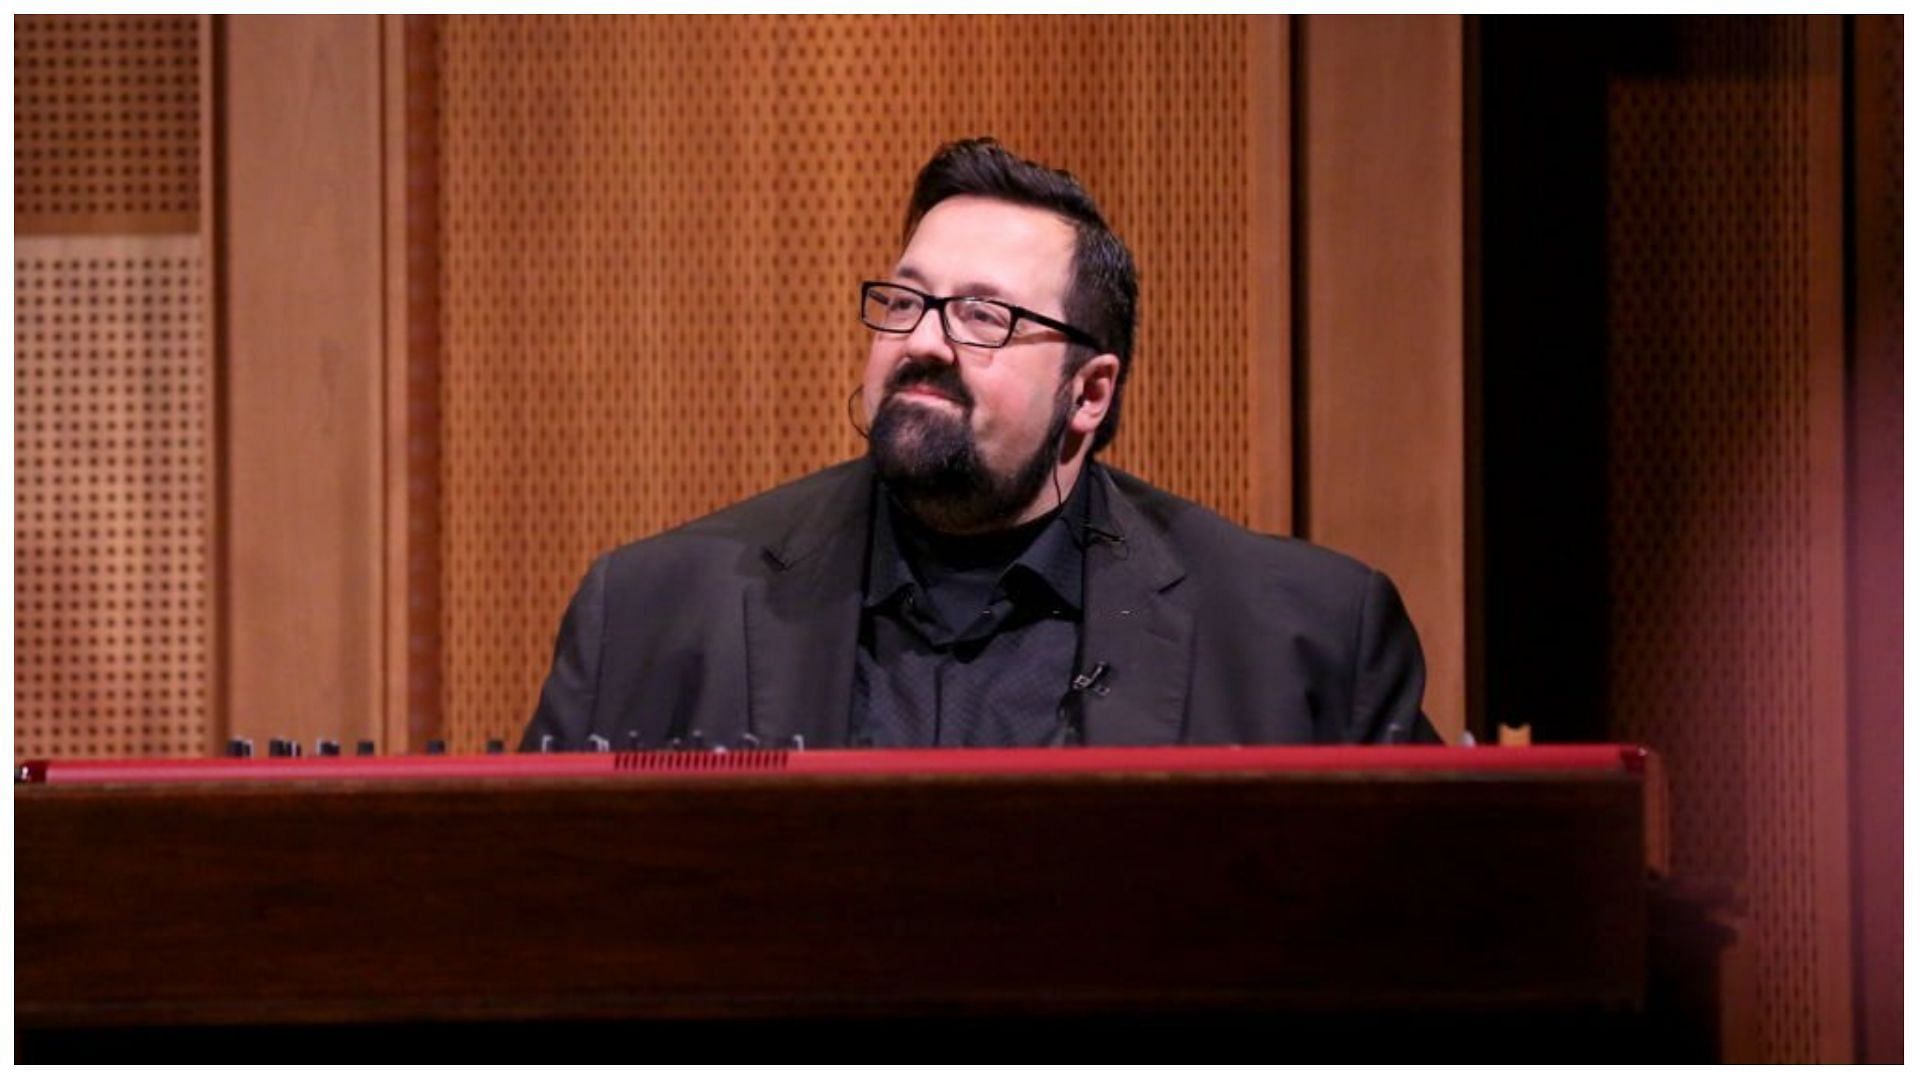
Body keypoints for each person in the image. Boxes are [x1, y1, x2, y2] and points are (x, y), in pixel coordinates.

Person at [522, 138, 1437, 751]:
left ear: (1090, 391)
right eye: (907, 301)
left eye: (982, 315)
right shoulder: (650, 612)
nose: (921, 339)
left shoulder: (1305, 640)